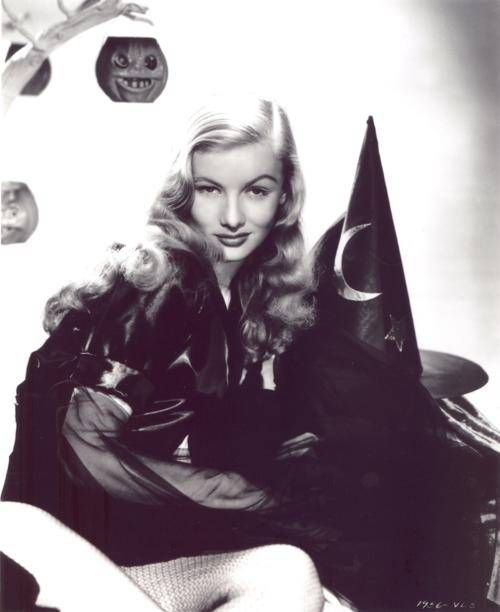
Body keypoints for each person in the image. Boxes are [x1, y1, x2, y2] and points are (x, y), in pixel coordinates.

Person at [2, 97, 497, 611]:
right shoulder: (168, 280)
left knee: (308, 575)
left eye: (256, 191)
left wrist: (290, 457)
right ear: (182, 192)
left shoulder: (231, 296)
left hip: (108, 546)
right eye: (210, 189)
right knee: (292, 572)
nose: (233, 217)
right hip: (41, 551)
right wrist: (238, 492)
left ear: (285, 198)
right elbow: (81, 448)